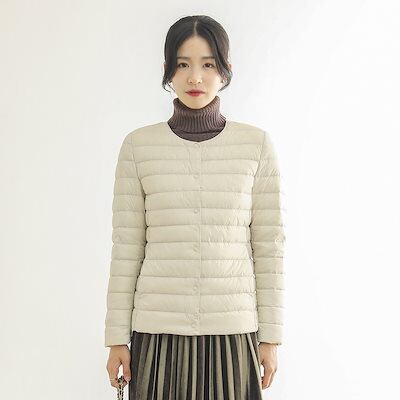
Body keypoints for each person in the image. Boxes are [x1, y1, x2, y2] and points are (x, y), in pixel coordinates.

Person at [105, 15, 286, 400]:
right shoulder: (138, 147)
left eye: (208, 64)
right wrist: (117, 338)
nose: (195, 77)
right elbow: (126, 247)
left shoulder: (256, 145)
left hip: (233, 331)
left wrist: (270, 337)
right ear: (167, 70)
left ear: (225, 70)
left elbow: (269, 246)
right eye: (183, 64)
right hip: (157, 332)